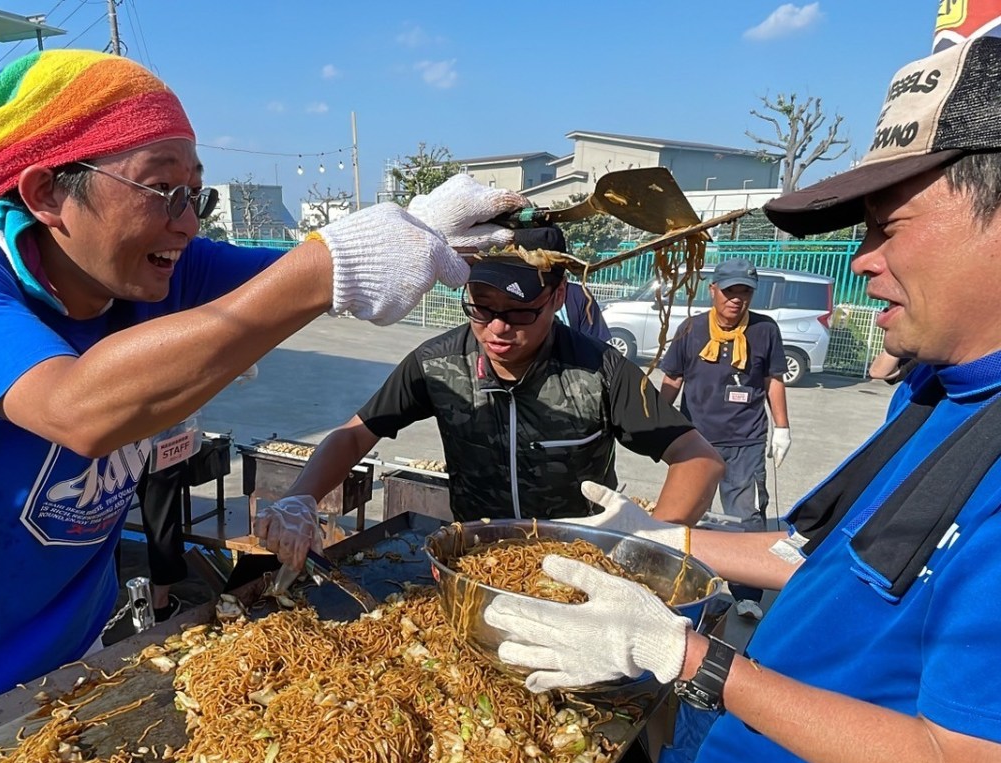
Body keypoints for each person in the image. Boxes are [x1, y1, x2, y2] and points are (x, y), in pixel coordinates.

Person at [0, 49, 527, 763]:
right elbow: (82, 412)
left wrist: (407, 227)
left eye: (197, 193)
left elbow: (296, 275)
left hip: (69, 643)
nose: (188, 222)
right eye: (162, 188)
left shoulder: (165, 273)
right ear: (47, 192)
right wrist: (323, 267)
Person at [482, 35, 1001, 763]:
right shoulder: (939, 393)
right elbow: (816, 557)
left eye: (887, 226)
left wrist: (694, 661)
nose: (864, 260)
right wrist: (656, 534)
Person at [254, 224, 724, 571]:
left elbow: (698, 459)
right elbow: (355, 437)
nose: (497, 329)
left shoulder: (598, 369)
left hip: (577, 567)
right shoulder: (438, 364)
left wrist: (650, 540)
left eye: (519, 312)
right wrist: (299, 500)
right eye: (481, 307)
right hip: (476, 564)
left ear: (558, 296)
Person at [658, 258, 790, 609]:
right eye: (730, 291)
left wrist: (782, 428)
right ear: (713, 290)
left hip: (745, 439)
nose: (737, 299)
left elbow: (772, 379)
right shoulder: (690, 329)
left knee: (746, 519)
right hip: (695, 440)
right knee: (682, 515)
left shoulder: (765, 330)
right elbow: (672, 379)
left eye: (744, 292)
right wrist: (653, 421)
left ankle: (747, 595)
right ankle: (674, 583)